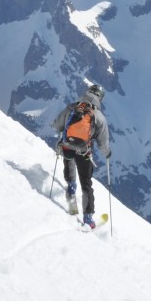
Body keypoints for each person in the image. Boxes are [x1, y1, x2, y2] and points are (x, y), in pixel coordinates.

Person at [52, 83, 112, 228]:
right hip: (84, 151)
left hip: (67, 146)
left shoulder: (71, 107)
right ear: (100, 99)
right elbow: (102, 143)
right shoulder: (99, 117)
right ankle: (88, 217)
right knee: (86, 183)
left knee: (69, 163)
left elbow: (57, 125)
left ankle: (71, 186)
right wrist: (107, 153)